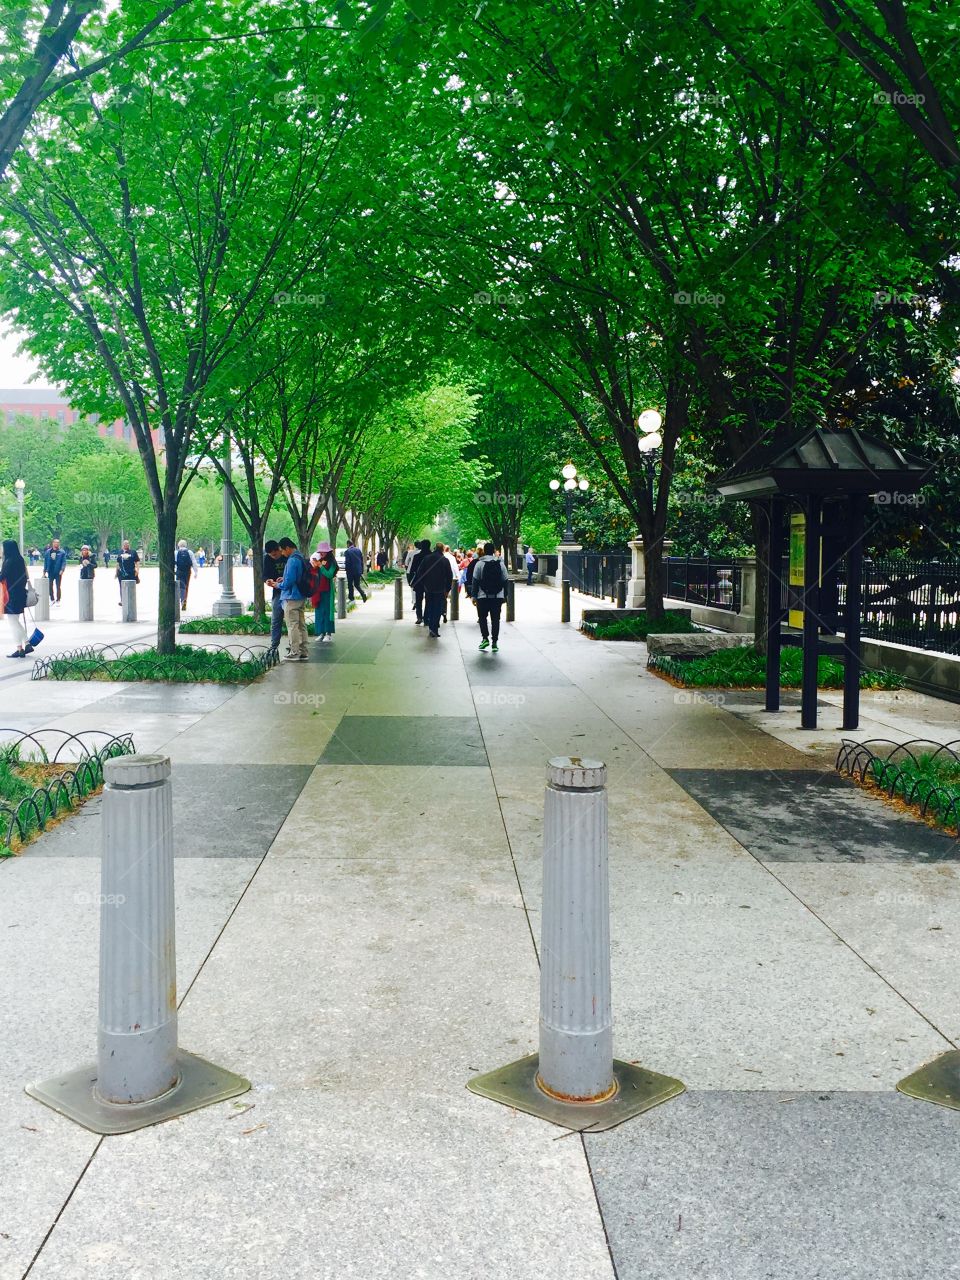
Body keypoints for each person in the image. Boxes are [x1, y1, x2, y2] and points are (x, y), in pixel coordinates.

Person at [470, 541, 509, 652]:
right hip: (497, 596)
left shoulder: (479, 564)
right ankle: (495, 642)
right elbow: (505, 580)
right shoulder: (500, 563)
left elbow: (475, 581)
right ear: (493, 551)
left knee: (482, 618)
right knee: (495, 619)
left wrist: (474, 596)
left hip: (482, 596)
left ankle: (485, 638)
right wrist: (505, 595)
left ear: (484, 551)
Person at [278, 536, 309, 661]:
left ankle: (294, 652)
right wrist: (284, 579)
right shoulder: (300, 557)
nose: (282, 553)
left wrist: (278, 584)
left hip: (291, 597)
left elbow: (289, 582)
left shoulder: (292, 560)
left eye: (282, 551)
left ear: (287, 548)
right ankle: (304, 651)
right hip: (301, 596)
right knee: (301, 624)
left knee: (292, 625)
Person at [414, 542, 453, 638]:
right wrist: (447, 589)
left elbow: (419, 572)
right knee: (437, 608)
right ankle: (434, 628)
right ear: (443, 549)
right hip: (440, 588)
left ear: (435, 548)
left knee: (429, 605)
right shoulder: (445, 560)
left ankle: (430, 625)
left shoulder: (427, 558)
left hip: (428, 587)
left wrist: (424, 584)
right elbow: (449, 576)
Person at [1, 540, 31, 658]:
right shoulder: (20, 560)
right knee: (15, 621)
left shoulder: (8, 561)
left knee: (13, 622)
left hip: (10, 595)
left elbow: (2, 576)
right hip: (20, 593)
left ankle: (23, 645)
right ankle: (23, 647)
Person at [311, 543, 338, 642]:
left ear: (328, 552)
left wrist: (320, 567)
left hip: (327, 591)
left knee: (327, 612)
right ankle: (321, 632)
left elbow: (329, 574)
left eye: (324, 551)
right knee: (319, 611)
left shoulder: (332, 563)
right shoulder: (320, 561)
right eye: (320, 551)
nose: (321, 553)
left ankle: (328, 633)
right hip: (318, 591)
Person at [263, 539, 285, 650]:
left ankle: (294, 646)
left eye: (275, 554)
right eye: (271, 555)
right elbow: (265, 574)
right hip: (277, 593)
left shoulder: (286, 556)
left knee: (293, 622)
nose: (273, 557)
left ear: (279, 549)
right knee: (276, 620)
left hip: (289, 593)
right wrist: (267, 580)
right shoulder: (267, 558)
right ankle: (274, 646)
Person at [407, 538, 431, 625]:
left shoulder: (416, 556)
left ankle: (419, 617)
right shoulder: (432, 557)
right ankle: (426, 617)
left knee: (418, 600)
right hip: (430, 581)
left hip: (419, 580)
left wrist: (410, 581)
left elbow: (412, 569)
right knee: (429, 600)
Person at [175, 539, 199, 608]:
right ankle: (184, 600)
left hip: (179, 571)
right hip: (187, 571)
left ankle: (180, 599)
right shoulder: (190, 552)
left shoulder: (176, 552)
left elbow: (174, 563)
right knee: (186, 586)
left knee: (179, 585)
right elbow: (194, 562)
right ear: (185, 545)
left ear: (178, 545)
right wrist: (196, 572)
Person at [115, 539, 140, 604]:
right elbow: (118, 563)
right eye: (125, 544)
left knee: (131, 586)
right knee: (122, 586)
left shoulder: (133, 552)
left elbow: (137, 562)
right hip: (121, 572)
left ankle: (131, 600)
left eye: (127, 543)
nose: (126, 545)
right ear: (123, 545)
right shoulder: (120, 552)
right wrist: (116, 572)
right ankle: (122, 600)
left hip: (131, 572)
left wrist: (137, 570)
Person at [43, 538, 66, 604]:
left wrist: (62, 569)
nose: (56, 544)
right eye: (55, 542)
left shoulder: (62, 552)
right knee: (50, 585)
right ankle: (52, 598)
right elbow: (45, 562)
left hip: (58, 571)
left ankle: (58, 599)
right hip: (50, 571)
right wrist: (44, 571)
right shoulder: (48, 552)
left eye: (58, 542)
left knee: (58, 586)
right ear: (52, 543)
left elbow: (63, 562)